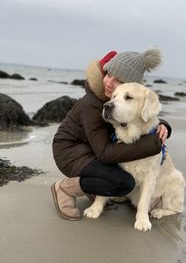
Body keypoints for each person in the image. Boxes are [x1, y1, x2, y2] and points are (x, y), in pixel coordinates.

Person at [51, 47, 172, 221]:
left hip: (93, 149)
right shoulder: (92, 104)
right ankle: (64, 188)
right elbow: (105, 154)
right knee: (122, 183)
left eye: (117, 80)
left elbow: (140, 118)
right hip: (70, 151)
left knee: (118, 178)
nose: (108, 82)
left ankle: (97, 187)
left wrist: (163, 126)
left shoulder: (118, 102)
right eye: (108, 74)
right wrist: (153, 145)